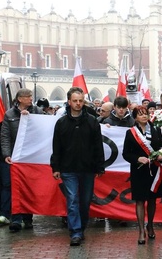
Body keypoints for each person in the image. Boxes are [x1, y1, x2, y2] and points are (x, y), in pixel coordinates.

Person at [51, 87, 105, 246]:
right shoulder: (61, 122)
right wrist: (56, 167)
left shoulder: (92, 121)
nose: (78, 103)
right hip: (68, 169)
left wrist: (99, 166)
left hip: (87, 168)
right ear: (69, 102)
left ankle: (81, 228)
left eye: (80, 101)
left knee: (85, 201)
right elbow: (56, 146)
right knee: (73, 199)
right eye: (75, 101)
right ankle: (75, 231)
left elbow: (98, 145)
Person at [122, 105, 162, 245]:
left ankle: (150, 225)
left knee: (152, 199)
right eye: (140, 114)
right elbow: (126, 153)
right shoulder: (131, 133)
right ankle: (141, 230)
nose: (144, 116)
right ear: (135, 117)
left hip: (154, 169)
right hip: (139, 170)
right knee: (139, 200)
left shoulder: (156, 130)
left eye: (146, 114)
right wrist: (137, 158)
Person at [0, 88, 43, 231]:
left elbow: (44, 129)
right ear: (20, 99)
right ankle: (16, 219)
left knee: (28, 188)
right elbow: (5, 136)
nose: (31, 99)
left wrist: (30, 118)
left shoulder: (37, 111)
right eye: (28, 96)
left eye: (31, 96)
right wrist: (6, 154)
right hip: (15, 157)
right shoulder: (9, 114)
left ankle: (27, 218)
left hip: (30, 157)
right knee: (15, 187)